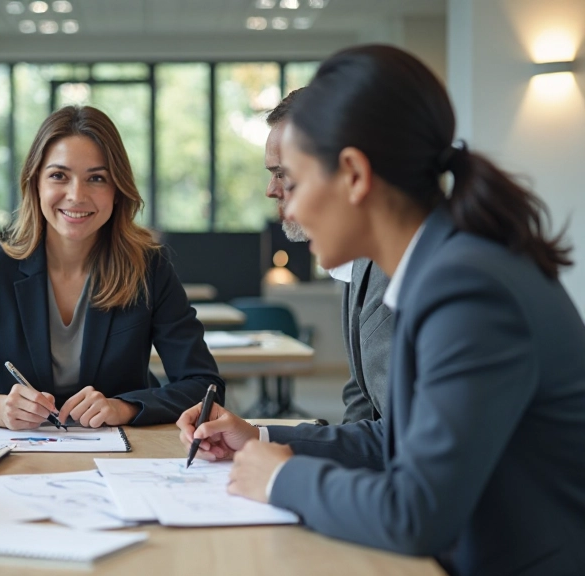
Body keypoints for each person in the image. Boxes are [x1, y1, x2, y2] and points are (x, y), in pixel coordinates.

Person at [178, 45, 585, 575]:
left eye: (295, 182)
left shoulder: (466, 288)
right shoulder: (448, 265)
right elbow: (398, 435)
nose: (288, 207)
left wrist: (280, 479)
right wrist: (263, 438)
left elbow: (417, 514)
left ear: (353, 175)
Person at [0, 106, 225, 429]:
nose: (76, 195)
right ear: (35, 183)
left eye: (96, 178)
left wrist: (123, 407)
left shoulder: (149, 269)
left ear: (117, 190)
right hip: (18, 456)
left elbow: (204, 385)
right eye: (59, 176)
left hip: (124, 456)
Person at [265, 88, 391, 422]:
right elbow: (363, 402)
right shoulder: (360, 262)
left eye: (284, 174)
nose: (273, 191)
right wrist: (264, 438)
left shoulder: (409, 273)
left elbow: (405, 446)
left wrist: (287, 465)